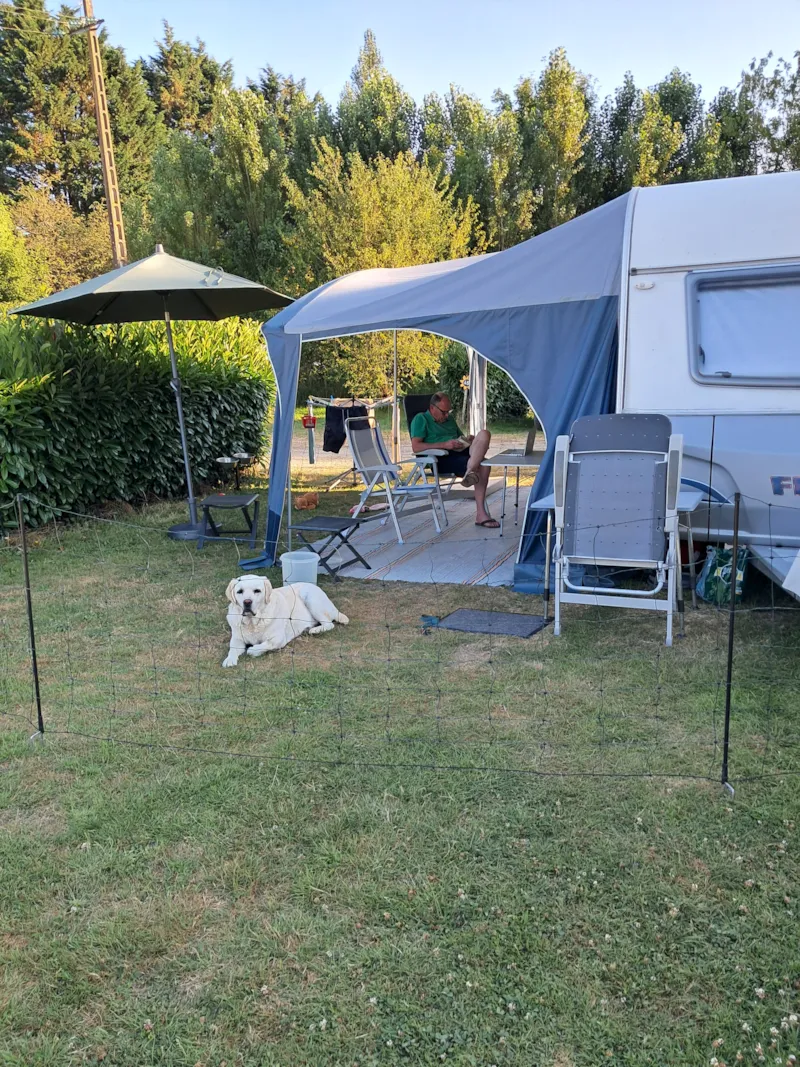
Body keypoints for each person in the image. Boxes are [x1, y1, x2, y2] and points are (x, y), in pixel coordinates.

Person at [409, 392, 499, 528]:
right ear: (432, 408)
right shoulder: (421, 419)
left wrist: (468, 440)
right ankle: (481, 513)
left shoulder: (449, 419)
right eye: (443, 412)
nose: (446, 415)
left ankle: (470, 469)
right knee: (484, 466)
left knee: (484, 434)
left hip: (461, 452)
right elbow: (416, 447)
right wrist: (444, 444)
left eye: (448, 412)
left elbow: (460, 437)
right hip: (440, 458)